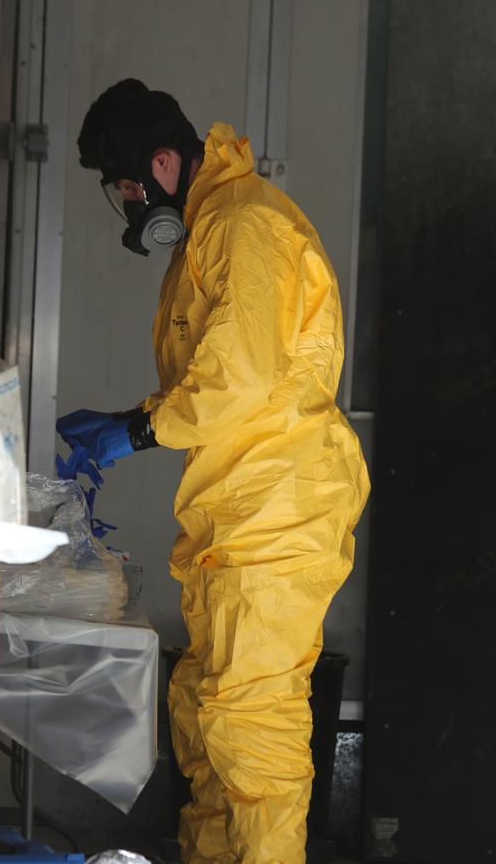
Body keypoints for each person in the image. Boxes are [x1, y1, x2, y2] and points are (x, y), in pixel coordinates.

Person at [57, 78, 370, 864]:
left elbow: (240, 376)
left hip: (276, 509)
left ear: (164, 164)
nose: (129, 208)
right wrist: (136, 417)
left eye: (128, 189)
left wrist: (133, 429)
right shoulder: (214, 228)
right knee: (205, 712)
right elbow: (220, 374)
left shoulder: (241, 225)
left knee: (250, 724)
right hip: (240, 508)